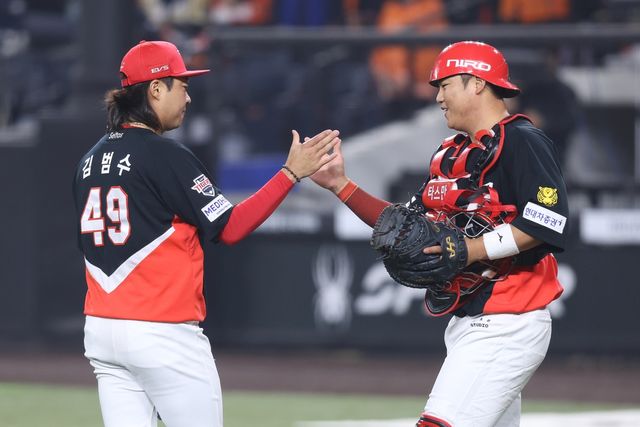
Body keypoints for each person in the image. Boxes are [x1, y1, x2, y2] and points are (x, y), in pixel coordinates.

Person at [72, 40, 339, 427]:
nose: (188, 97)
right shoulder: (164, 155)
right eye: (182, 85)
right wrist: (290, 174)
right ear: (156, 88)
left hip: (102, 330)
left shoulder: (88, 160)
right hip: (161, 332)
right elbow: (230, 228)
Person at [311, 41, 569, 427]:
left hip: (508, 319)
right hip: (470, 320)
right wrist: (341, 186)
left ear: (476, 83)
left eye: (445, 85)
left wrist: (469, 249)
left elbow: (548, 220)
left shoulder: (522, 141)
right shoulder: (451, 153)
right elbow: (404, 225)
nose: (438, 97)